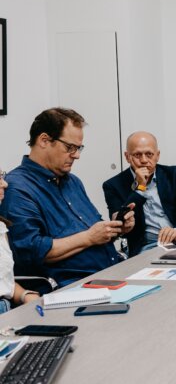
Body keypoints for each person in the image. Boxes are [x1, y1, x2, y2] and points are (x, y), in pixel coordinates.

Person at [0, 108, 134, 287]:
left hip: (110, 273)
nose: (76, 155)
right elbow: (32, 251)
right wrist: (89, 237)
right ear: (44, 141)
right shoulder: (17, 188)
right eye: (70, 148)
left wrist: (115, 228)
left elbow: (95, 230)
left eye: (79, 148)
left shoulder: (73, 182)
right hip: (70, 288)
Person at [102, 132, 176, 256]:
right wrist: (140, 187)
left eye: (149, 154)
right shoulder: (112, 185)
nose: (143, 160)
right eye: (137, 155)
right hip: (147, 248)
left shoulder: (174, 174)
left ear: (157, 155)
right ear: (127, 157)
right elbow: (121, 224)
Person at [0, 168, 41, 314]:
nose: (5, 184)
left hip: (6, 309)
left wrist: (24, 295)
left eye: (2, 176)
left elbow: (4, 281)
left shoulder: (1, 226)